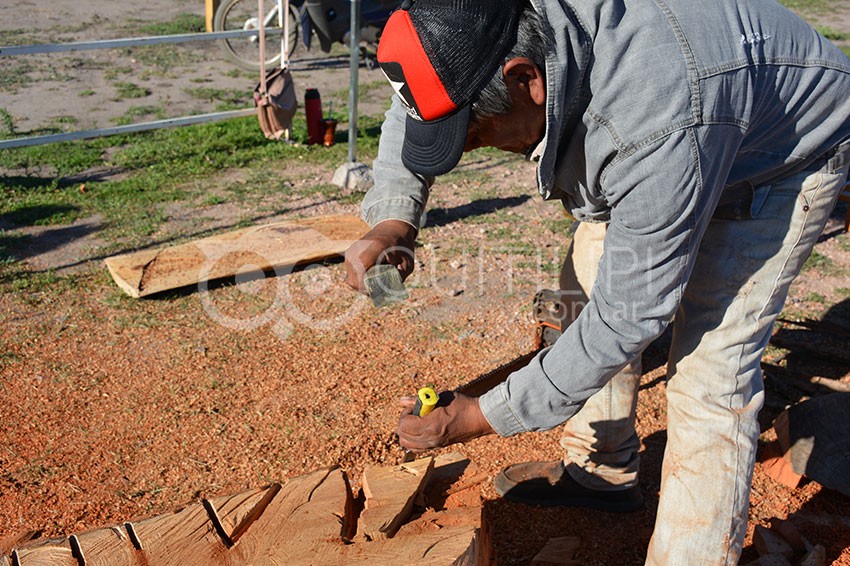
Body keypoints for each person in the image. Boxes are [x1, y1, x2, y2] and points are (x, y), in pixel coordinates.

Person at [343, 0, 850, 562]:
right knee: (582, 291)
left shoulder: (653, 118)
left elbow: (626, 315)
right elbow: (420, 94)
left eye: (477, 133)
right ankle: (602, 470)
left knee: (709, 371)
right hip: (675, 124)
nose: (466, 147)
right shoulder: (471, 27)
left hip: (778, 157)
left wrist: (482, 414)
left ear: (525, 80)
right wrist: (394, 218)